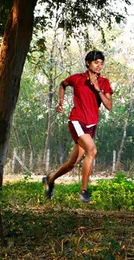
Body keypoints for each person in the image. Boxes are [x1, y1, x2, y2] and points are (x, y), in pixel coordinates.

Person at [42, 50, 113, 203]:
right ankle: (84, 192)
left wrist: (97, 89)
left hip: (91, 125)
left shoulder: (104, 83)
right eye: (96, 62)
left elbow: (108, 106)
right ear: (88, 63)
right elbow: (63, 84)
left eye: (101, 63)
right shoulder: (77, 78)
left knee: (72, 163)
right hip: (77, 121)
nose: (99, 66)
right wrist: (60, 102)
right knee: (92, 150)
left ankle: (49, 180)